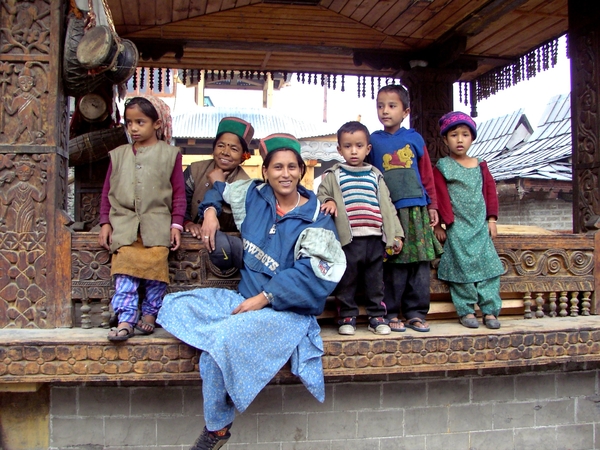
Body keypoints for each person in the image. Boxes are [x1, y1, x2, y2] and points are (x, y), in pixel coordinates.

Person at [157, 133, 346, 450]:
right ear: (266, 172)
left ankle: (217, 429)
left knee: (218, 346)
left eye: (291, 167)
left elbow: (315, 273)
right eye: (277, 167)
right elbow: (217, 189)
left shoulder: (316, 216)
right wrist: (211, 212)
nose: (284, 174)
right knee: (176, 306)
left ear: (301, 170)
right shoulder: (253, 195)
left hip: (285, 312)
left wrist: (264, 298)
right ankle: (234, 360)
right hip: (245, 300)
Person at [98, 96, 186, 341]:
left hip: (157, 227)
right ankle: (126, 319)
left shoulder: (170, 155)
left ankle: (149, 315)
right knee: (124, 273)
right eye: (129, 123)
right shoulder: (118, 155)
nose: (133, 128)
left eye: (140, 122)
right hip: (124, 228)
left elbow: (178, 193)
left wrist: (176, 224)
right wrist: (105, 221)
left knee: (156, 273)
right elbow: (107, 192)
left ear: (157, 124)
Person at [367, 84, 443, 333]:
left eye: (391, 106)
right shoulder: (373, 141)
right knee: (393, 262)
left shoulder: (414, 139)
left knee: (419, 263)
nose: (385, 111)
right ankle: (391, 313)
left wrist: (432, 204)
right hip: (389, 212)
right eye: (380, 106)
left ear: (405, 111)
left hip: (417, 209)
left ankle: (416, 312)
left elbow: (427, 174)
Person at [317, 121, 403, 335]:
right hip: (348, 240)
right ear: (339, 149)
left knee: (375, 281)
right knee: (347, 279)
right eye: (347, 146)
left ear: (368, 149)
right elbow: (321, 195)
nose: (353, 151)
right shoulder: (334, 174)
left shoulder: (375, 175)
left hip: (375, 238)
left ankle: (377, 316)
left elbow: (388, 206)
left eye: (358, 145)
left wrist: (397, 234)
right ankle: (347, 315)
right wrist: (329, 200)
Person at [433, 111, 503, 329]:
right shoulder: (443, 166)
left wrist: (491, 220)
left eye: (465, 134)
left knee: (489, 268)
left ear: (472, 138)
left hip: (480, 227)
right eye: (454, 135)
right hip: (457, 228)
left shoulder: (481, 164)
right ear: (445, 140)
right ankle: (466, 310)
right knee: (460, 269)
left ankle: (490, 311)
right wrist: (439, 224)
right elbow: (437, 196)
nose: (460, 139)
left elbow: (490, 192)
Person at [183, 117, 254, 237]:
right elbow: (181, 201)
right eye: (221, 145)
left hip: (226, 245)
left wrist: (220, 185)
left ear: (244, 156)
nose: (225, 152)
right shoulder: (195, 170)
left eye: (234, 149)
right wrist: (188, 223)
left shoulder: (246, 185)